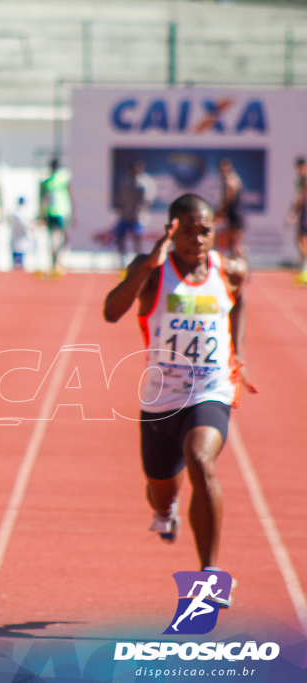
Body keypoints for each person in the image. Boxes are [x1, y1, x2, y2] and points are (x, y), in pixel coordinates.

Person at [103, 193, 257, 578]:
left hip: (211, 388)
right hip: (161, 397)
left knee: (200, 461)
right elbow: (111, 312)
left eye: (205, 230)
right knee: (161, 488)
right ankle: (163, 511)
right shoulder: (153, 271)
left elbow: (238, 301)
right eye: (189, 231)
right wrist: (149, 262)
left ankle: (209, 573)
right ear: (172, 232)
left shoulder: (230, 269)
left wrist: (235, 351)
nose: (199, 239)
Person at [114, 160, 156, 267]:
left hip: (139, 217)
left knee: (138, 238)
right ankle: (122, 259)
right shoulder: (125, 181)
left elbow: (148, 199)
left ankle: (140, 260)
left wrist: (140, 213)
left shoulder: (145, 182)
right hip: (126, 216)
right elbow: (121, 198)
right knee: (120, 235)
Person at [39, 157, 73, 276]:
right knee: (58, 238)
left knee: (58, 238)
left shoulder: (52, 181)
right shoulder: (50, 181)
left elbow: (42, 200)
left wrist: (41, 214)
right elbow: (42, 199)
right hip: (59, 212)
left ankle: (56, 261)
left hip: (56, 212)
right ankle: (56, 262)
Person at [216, 159, 245, 259]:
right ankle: (239, 265)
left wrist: (221, 212)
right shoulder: (233, 179)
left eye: (223, 168)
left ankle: (241, 267)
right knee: (234, 244)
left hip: (235, 215)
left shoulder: (231, 181)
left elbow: (228, 199)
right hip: (234, 215)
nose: (222, 171)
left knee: (236, 244)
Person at [287, 157, 307, 284]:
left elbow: (300, 198)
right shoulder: (301, 180)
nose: (300, 170)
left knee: (302, 241)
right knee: (300, 241)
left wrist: (293, 214)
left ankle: (304, 270)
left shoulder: (304, 180)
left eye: (302, 167)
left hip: (305, 212)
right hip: (303, 211)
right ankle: (304, 269)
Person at [6, 196, 33, 270]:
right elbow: (24, 224)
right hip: (18, 239)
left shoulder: (22, 212)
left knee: (21, 258)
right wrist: (32, 225)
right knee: (18, 262)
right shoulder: (17, 213)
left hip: (21, 240)